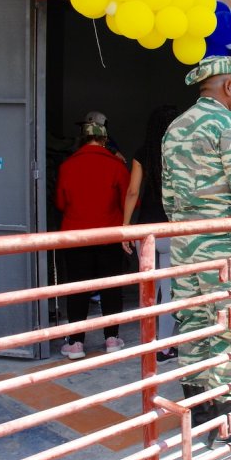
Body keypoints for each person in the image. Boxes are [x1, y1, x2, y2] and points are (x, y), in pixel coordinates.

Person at [161, 56, 231, 447]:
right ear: (228, 86)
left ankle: (200, 415)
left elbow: (169, 197)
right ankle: (227, 424)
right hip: (226, 252)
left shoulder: (175, 127)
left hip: (184, 247)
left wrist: (187, 234)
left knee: (193, 327)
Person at [57, 121, 130, 360]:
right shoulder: (116, 165)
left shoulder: (67, 166)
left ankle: (76, 343)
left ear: (81, 139)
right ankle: (112, 339)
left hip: (76, 237)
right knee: (111, 288)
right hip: (109, 235)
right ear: (105, 139)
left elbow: (60, 202)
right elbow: (129, 201)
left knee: (77, 289)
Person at [121, 105, 182, 363]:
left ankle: (147, 341)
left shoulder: (142, 152)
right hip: (170, 228)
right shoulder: (180, 151)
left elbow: (133, 191)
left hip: (145, 229)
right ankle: (164, 348)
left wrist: (126, 227)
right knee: (168, 291)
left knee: (148, 289)